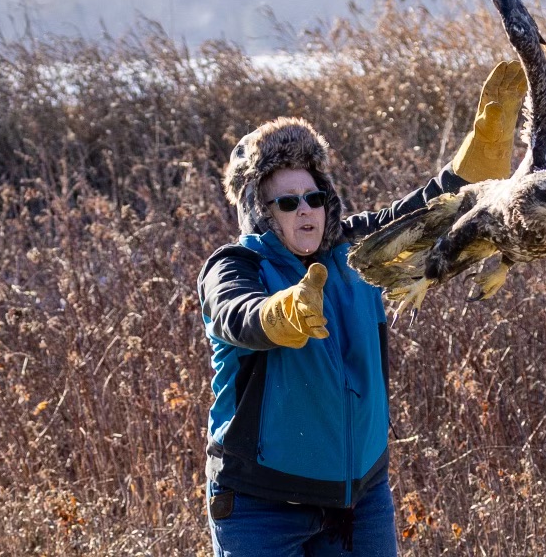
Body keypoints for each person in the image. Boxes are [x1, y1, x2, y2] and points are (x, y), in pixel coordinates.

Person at [198, 61, 527, 556]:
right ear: (261, 213)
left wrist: (485, 147)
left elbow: (430, 210)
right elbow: (236, 314)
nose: (305, 209)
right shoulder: (236, 265)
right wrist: (284, 313)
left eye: (313, 196)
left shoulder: (359, 250)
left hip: (359, 499)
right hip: (260, 504)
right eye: (286, 203)